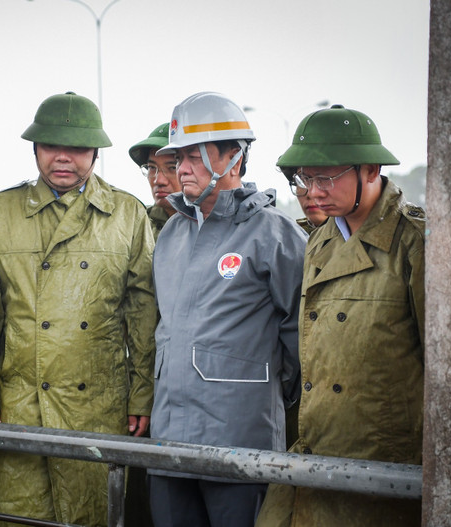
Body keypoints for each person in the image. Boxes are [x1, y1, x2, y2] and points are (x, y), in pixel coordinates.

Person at [0, 91, 157, 527]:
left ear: (96, 153)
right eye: (51, 146)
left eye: (78, 148)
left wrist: (143, 392)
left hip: (98, 407)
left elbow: (144, 313)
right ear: (34, 148)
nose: (63, 158)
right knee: (18, 518)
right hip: (20, 403)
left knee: (96, 513)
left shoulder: (127, 215)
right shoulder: (1, 212)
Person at [255, 105, 425, 527]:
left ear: (370, 170)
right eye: (303, 179)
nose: (311, 191)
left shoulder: (414, 244)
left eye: (325, 177)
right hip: (316, 450)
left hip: (381, 463)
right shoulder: (322, 239)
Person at [149, 92, 307, 527]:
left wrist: (269, 396)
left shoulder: (275, 235)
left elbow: (302, 336)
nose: (180, 169)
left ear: (234, 158)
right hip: (169, 444)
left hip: (240, 446)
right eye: (178, 157)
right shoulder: (170, 236)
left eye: (194, 157)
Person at [128, 122, 182, 236]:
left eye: (172, 168)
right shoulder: (134, 226)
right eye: (152, 168)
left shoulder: (214, 225)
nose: (159, 180)